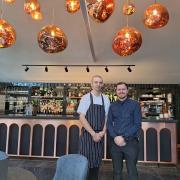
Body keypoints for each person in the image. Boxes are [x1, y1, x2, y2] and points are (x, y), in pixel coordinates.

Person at [77, 75, 110, 180]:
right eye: (96, 82)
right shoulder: (85, 98)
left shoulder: (106, 98)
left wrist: (103, 132)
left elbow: (107, 117)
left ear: (102, 84)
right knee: (85, 163)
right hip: (88, 135)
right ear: (91, 84)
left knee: (96, 164)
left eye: (100, 82)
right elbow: (82, 117)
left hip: (99, 136)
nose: (98, 84)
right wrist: (93, 133)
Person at [107, 82, 142, 180]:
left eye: (123, 89)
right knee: (117, 172)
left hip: (130, 142)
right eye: (119, 89)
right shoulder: (112, 106)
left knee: (132, 172)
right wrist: (115, 137)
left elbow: (137, 124)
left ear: (127, 90)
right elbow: (109, 123)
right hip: (115, 143)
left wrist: (123, 137)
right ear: (116, 91)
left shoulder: (135, 105)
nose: (121, 91)